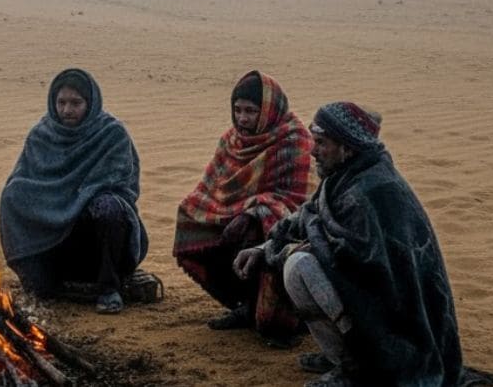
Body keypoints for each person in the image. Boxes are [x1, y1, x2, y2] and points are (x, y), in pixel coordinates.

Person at [234, 102, 463, 387]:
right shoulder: (344, 176)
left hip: (398, 320)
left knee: (302, 265)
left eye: (321, 143)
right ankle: (340, 357)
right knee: (298, 261)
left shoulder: (371, 190)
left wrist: (292, 250)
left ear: (347, 147)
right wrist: (263, 249)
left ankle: (361, 366)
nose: (313, 151)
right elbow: (308, 215)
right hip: (377, 303)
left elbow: (362, 268)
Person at [174, 71, 315, 347]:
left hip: (290, 230)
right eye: (237, 110)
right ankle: (246, 306)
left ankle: (284, 319)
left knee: (254, 229)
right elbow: (213, 187)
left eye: (250, 111)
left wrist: (254, 212)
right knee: (191, 216)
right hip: (240, 214)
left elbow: (300, 202)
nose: (242, 118)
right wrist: (212, 212)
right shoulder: (232, 140)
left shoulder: (294, 141)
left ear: (268, 111)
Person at [0, 68, 149, 314]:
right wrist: (58, 201)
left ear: (90, 103)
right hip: (54, 234)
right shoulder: (41, 135)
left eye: (75, 103)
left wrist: (79, 198)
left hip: (94, 232)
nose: (67, 110)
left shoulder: (111, 134)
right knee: (13, 194)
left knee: (109, 207)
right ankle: (39, 276)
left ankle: (109, 287)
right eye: (61, 102)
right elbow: (25, 177)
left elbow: (123, 183)